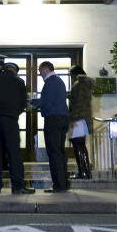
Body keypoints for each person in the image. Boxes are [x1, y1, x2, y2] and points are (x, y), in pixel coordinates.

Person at [0, 62, 34, 194]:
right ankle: (17, 186)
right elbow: (23, 103)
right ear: (15, 71)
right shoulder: (19, 82)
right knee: (14, 153)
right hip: (9, 120)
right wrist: (15, 112)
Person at [31, 61, 69, 193]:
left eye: (40, 72)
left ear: (46, 70)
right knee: (60, 152)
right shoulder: (59, 81)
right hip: (63, 118)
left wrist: (31, 101)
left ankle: (59, 185)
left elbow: (44, 101)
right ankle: (63, 183)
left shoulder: (50, 82)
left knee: (54, 153)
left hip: (53, 119)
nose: (40, 75)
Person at [68, 65, 95, 180]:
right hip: (84, 119)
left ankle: (83, 172)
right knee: (81, 146)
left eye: (71, 74)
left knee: (77, 146)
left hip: (77, 120)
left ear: (75, 74)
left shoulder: (77, 84)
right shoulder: (86, 84)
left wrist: (72, 119)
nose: (70, 77)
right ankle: (86, 172)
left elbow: (77, 104)